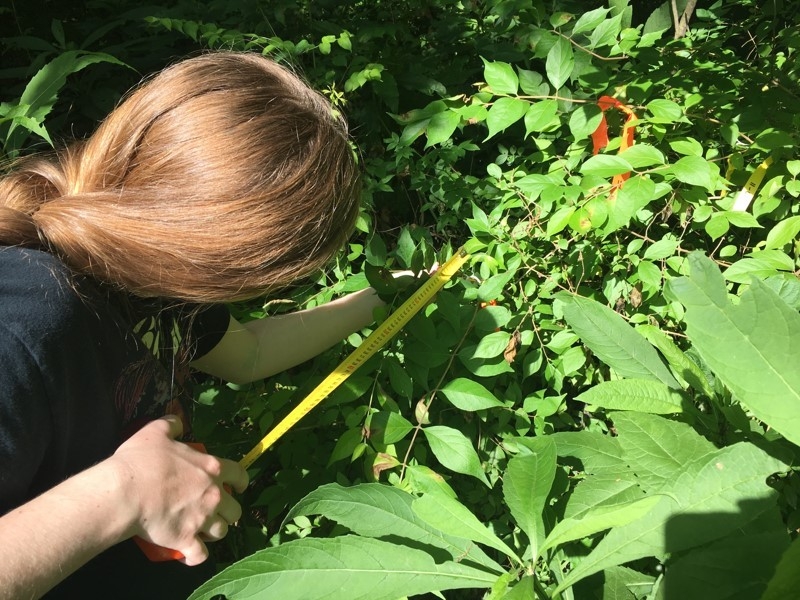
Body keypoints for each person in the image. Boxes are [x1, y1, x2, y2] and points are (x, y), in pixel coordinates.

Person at [0, 51, 386, 599]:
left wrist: (375, 300)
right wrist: (126, 494)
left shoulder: (154, 277)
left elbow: (246, 354)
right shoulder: (23, 315)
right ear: (218, 252)